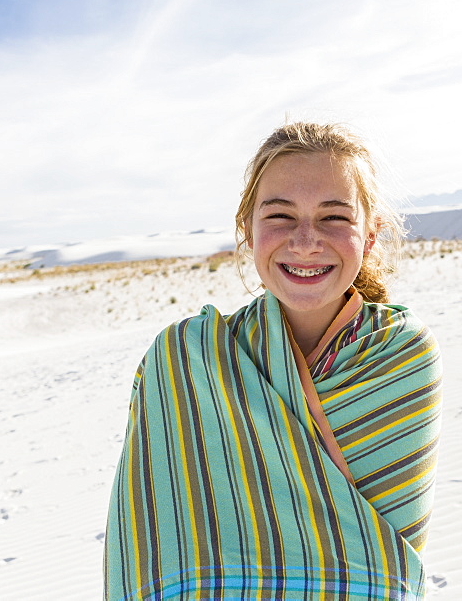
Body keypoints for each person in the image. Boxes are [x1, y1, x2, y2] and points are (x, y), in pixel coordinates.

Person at [105, 122, 442, 600]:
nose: (305, 241)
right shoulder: (181, 361)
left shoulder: (403, 356)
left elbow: (383, 564)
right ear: (249, 228)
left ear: (370, 235)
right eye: (281, 215)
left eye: (334, 218)